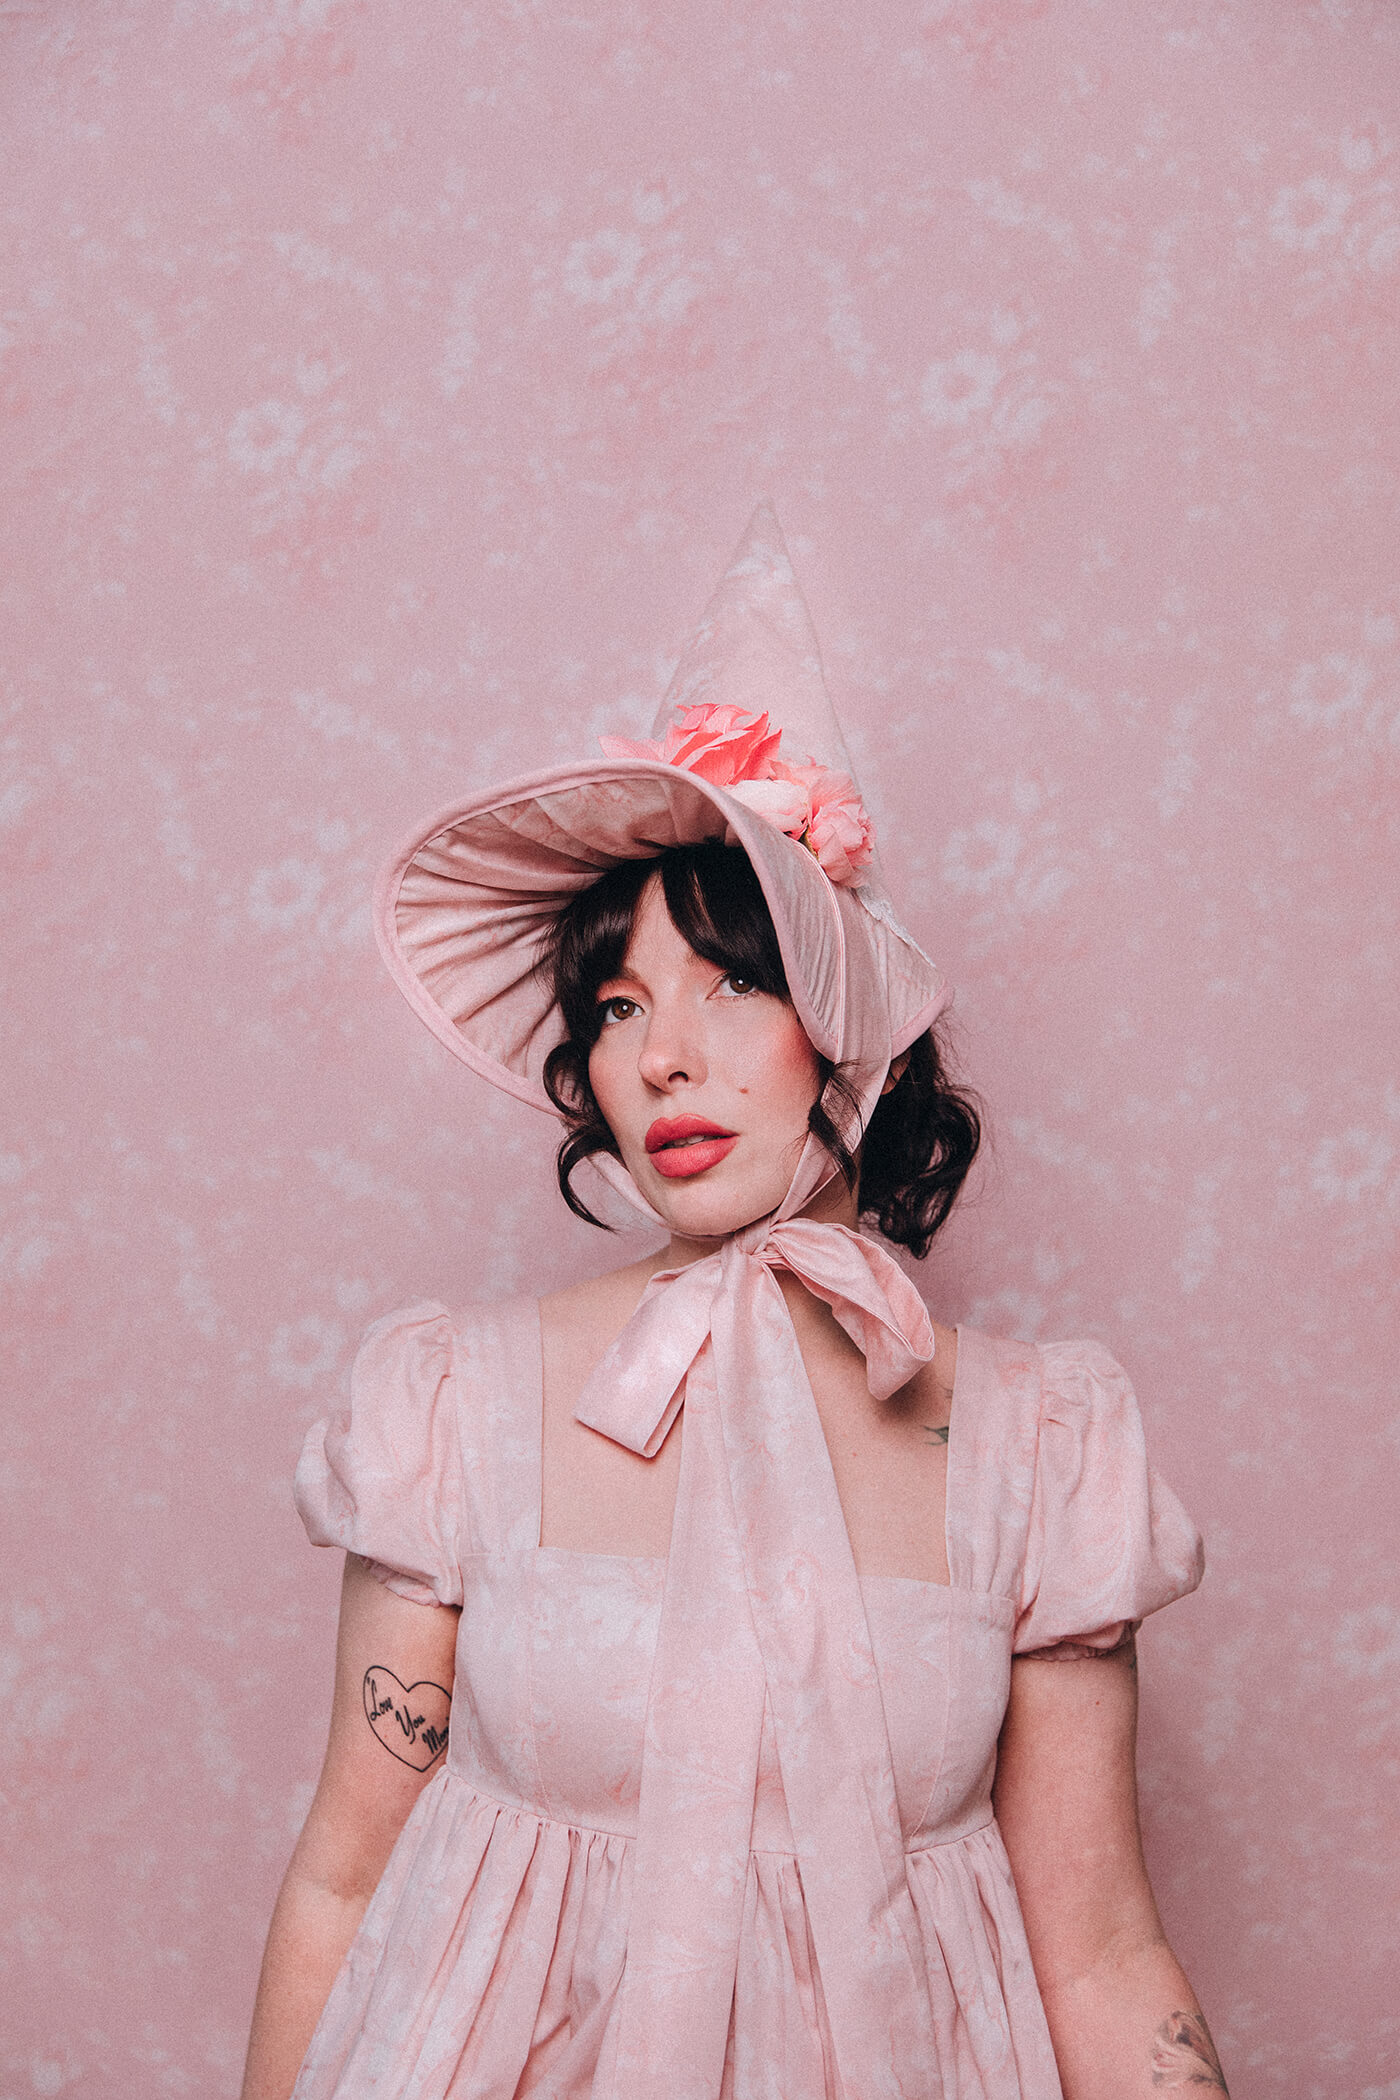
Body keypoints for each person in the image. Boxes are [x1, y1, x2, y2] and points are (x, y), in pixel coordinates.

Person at [240, 508, 1227, 2100]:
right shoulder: (455, 1407)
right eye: (618, 1004)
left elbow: (1100, 1948)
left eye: (734, 980)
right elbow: (345, 1879)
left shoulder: (1046, 1445)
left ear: (850, 1026)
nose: (662, 1057)